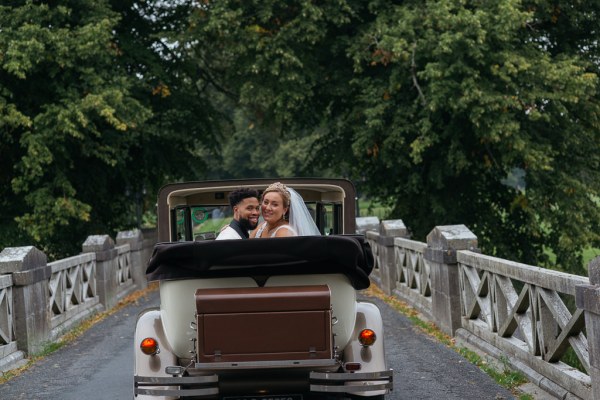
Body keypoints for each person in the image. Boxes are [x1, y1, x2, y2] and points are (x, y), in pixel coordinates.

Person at [251, 182, 321, 238]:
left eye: (274, 204)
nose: (268, 208)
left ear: (285, 210)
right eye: (266, 202)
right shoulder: (261, 226)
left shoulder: (284, 232)